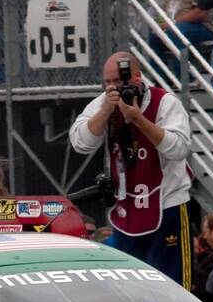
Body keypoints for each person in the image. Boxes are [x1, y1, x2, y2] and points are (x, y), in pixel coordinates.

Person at [68, 52, 195, 287]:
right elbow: (80, 143)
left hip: (167, 205)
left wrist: (139, 119)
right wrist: (106, 111)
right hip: (125, 209)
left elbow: (179, 149)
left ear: (136, 78)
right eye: (107, 82)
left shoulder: (165, 102)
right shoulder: (103, 102)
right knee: (133, 288)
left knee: (174, 287)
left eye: (118, 80)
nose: (113, 87)